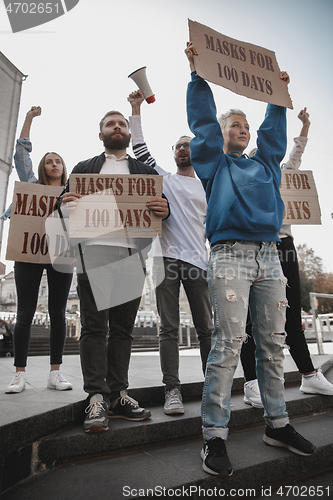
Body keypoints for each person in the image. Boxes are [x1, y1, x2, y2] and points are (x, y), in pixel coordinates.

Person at [185, 42, 316, 477]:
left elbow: (274, 134)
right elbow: (203, 124)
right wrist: (198, 77)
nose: (242, 130)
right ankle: (214, 436)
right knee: (227, 344)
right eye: (235, 125)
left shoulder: (265, 164)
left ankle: (278, 423)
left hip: (270, 258)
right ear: (223, 135)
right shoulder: (213, 164)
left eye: (245, 125)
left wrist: (276, 96)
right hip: (230, 257)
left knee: (272, 345)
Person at [59, 110, 169, 433]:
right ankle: (96, 396)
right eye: (111, 124)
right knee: (94, 327)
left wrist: (165, 208)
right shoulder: (83, 169)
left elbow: (162, 208)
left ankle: (118, 393)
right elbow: (62, 208)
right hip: (93, 256)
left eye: (121, 124)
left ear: (128, 134)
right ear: (101, 134)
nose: (117, 127)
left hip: (131, 257)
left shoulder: (144, 172)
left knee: (122, 329)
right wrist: (65, 205)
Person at [241, 108, 333, 408]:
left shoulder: (282, 173)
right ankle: (253, 382)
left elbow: (296, 154)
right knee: (251, 318)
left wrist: (304, 125)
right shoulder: (243, 177)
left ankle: (308, 374)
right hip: (255, 247)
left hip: (284, 246)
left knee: (291, 312)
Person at [128, 90, 213, 415]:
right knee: (168, 328)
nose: (183, 149)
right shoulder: (164, 179)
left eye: (188, 145)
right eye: (178, 146)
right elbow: (140, 149)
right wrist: (136, 108)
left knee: (206, 327)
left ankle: (211, 387)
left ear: (197, 152)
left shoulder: (207, 185)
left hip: (198, 262)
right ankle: (172, 390)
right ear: (173, 154)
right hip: (165, 259)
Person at [3, 106, 73, 394]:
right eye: (49, 161)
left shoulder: (72, 191)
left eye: (58, 161)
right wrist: (29, 119)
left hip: (60, 253)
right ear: (43, 167)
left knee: (58, 311)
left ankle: (55, 373)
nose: (54, 164)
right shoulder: (31, 185)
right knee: (25, 312)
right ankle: (19, 373)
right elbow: (21, 156)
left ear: (63, 167)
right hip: (29, 252)